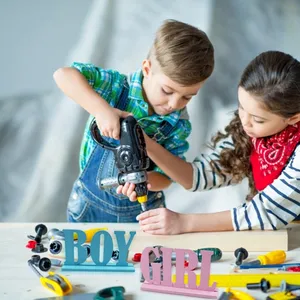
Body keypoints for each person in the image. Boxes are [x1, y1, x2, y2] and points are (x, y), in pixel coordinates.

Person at [117, 50, 300, 233]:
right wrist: (145, 143)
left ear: (294, 118)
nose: (244, 121)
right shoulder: (253, 132)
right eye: (241, 107)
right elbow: (201, 174)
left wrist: (183, 222)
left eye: (258, 119)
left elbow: (266, 212)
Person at [53, 19, 214, 222]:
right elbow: (63, 75)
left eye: (187, 97)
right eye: (167, 90)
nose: (174, 103)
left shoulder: (177, 124)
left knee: (141, 255)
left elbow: (167, 179)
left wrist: (145, 180)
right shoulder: (116, 88)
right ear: (147, 69)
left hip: (140, 214)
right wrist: (102, 110)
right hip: (88, 207)